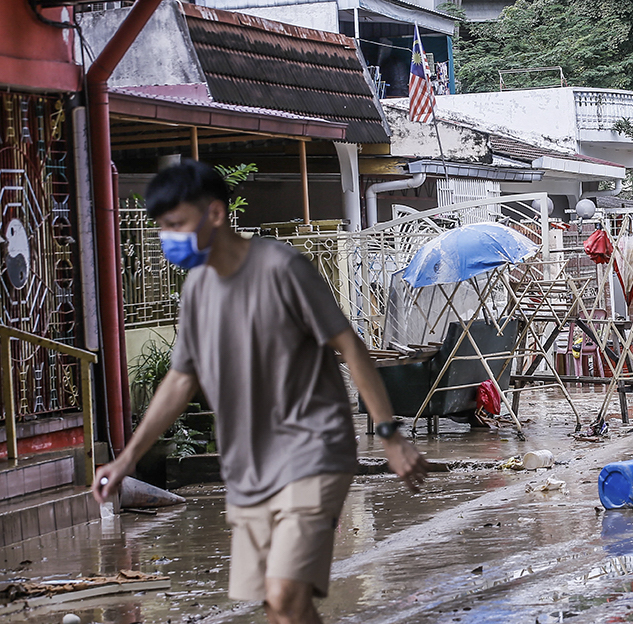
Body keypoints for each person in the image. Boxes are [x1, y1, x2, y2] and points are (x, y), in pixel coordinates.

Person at [93, 160, 428, 624]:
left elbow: (350, 346)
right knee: (280, 607)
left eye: (177, 224)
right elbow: (181, 379)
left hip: (315, 450)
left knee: (284, 593)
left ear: (214, 213)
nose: (168, 237)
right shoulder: (198, 290)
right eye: (163, 227)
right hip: (249, 465)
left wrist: (390, 436)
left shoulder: (281, 267)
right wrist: (127, 459)